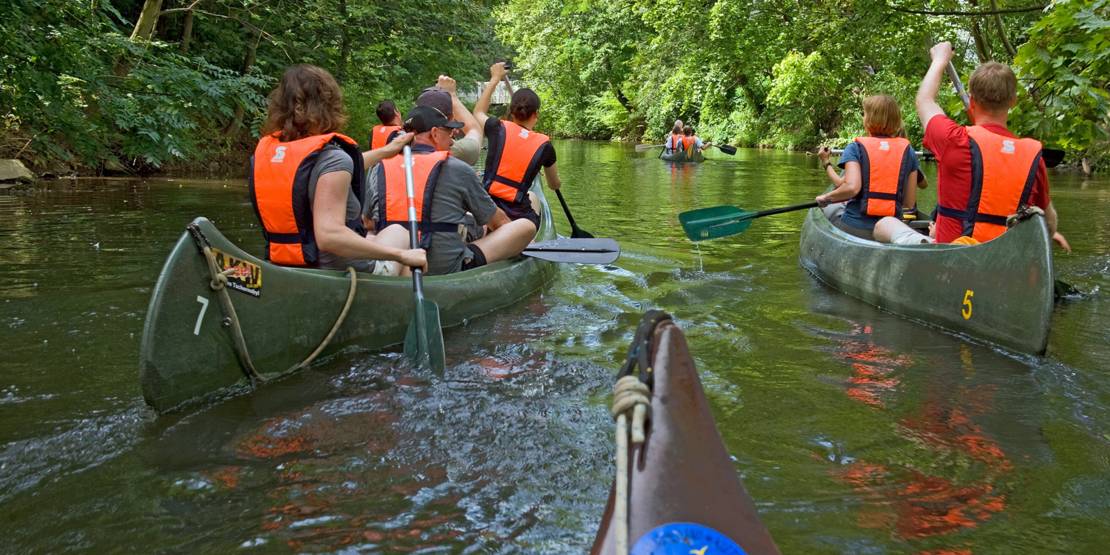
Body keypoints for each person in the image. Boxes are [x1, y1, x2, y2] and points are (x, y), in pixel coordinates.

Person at [249, 64, 426, 273]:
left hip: (285, 265)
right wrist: (401, 255)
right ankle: (397, 302)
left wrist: (386, 151)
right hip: (339, 272)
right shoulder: (333, 159)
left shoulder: (270, 154)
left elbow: (328, 171)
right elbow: (329, 236)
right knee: (401, 233)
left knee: (374, 235)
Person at [914, 41, 1070, 251]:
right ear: (1013, 101)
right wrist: (1049, 235)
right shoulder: (1033, 155)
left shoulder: (954, 140)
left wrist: (940, 60)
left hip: (954, 258)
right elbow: (1049, 221)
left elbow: (925, 100)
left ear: (971, 99)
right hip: (1005, 261)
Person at [365, 105, 534, 275]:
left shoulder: (378, 167)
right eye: (448, 132)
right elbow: (499, 222)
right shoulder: (458, 168)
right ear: (434, 133)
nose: (452, 140)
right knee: (525, 227)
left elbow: (368, 222)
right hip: (445, 268)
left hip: (398, 262)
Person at [473, 61, 559, 248]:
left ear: (511, 112)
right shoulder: (545, 146)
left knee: (530, 198)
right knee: (534, 200)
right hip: (515, 212)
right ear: (536, 114)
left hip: (486, 205)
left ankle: (486, 234)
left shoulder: (497, 128)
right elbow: (553, 185)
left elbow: (478, 111)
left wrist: (494, 79)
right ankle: (525, 240)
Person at [815, 95, 921, 241]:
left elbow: (851, 188)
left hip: (855, 228)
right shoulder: (908, 151)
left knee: (829, 209)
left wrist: (826, 198)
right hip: (888, 231)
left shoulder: (855, 148)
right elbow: (909, 202)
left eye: (864, 113)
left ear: (869, 118)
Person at [415, 75, 483, 165]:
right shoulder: (457, 152)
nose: (455, 132)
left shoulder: (395, 148)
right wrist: (452, 95)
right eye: (449, 129)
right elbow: (475, 130)